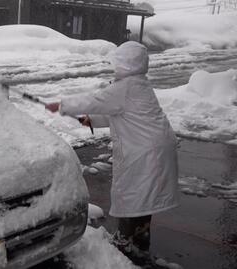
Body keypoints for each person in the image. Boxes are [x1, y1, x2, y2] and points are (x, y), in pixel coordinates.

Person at [45, 41, 179, 267]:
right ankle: (139, 240)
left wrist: (62, 105)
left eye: (117, 62)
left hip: (144, 153)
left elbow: (95, 100)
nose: (114, 66)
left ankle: (126, 244)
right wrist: (93, 120)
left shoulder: (124, 88)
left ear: (126, 64)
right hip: (154, 150)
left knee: (132, 196)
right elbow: (121, 113)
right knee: (142, 198)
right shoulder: (139, 86)